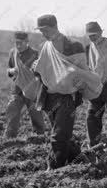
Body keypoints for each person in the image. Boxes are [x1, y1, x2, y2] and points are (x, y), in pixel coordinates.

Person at [33, 14, 85, 169]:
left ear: (55, 26)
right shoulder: (44, 47)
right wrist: (35, 67)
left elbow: (82, 71)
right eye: (40, 31)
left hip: (67, 96)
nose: (43, 33)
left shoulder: (74, 46)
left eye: (45, 30)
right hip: (49, 96)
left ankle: (55, 167)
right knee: (62, 132)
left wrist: (75, 79)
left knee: (59, 134)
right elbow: (40, 73)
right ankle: (78, 158)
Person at [4, 32, 46, 138]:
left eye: (20, 43)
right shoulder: (13, 53)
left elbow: (41, 72)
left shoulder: (35, 54)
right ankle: (10, 136)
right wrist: (12, 71)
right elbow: (8, 70)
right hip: (17, 89)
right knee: (12, 109)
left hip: (32, 89)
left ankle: (40, 136)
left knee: (35, 113)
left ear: (27, 42)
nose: (18, 45)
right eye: (16, 43)